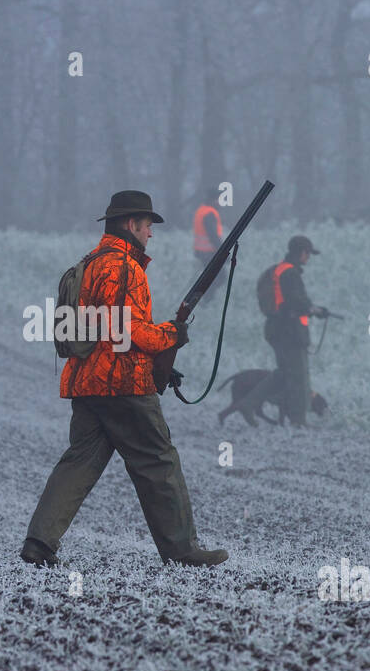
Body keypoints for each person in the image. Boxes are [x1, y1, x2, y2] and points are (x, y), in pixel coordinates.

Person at [20, 189, 229, 568]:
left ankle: (39, 542)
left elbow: (101, 331)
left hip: (86, 382)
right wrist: (172, 334)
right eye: (148, 226)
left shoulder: (88, 264)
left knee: (79, 463)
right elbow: (133, 331)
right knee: (158, 461)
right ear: (132, 224)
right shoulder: (125, 268)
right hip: (122, 385)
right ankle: (182, 551)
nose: (151, 234)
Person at [230, 235, 327, 427]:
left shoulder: (279, 270)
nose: (308, 258)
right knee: (298, 376)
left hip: (278, 329)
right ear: (301, 252)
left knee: (283, 373)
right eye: (308, 253)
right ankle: (298, 421)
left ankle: (249, 403)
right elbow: (296, 302)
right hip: (289, 332)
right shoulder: (290, 273)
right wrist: (316, 310)